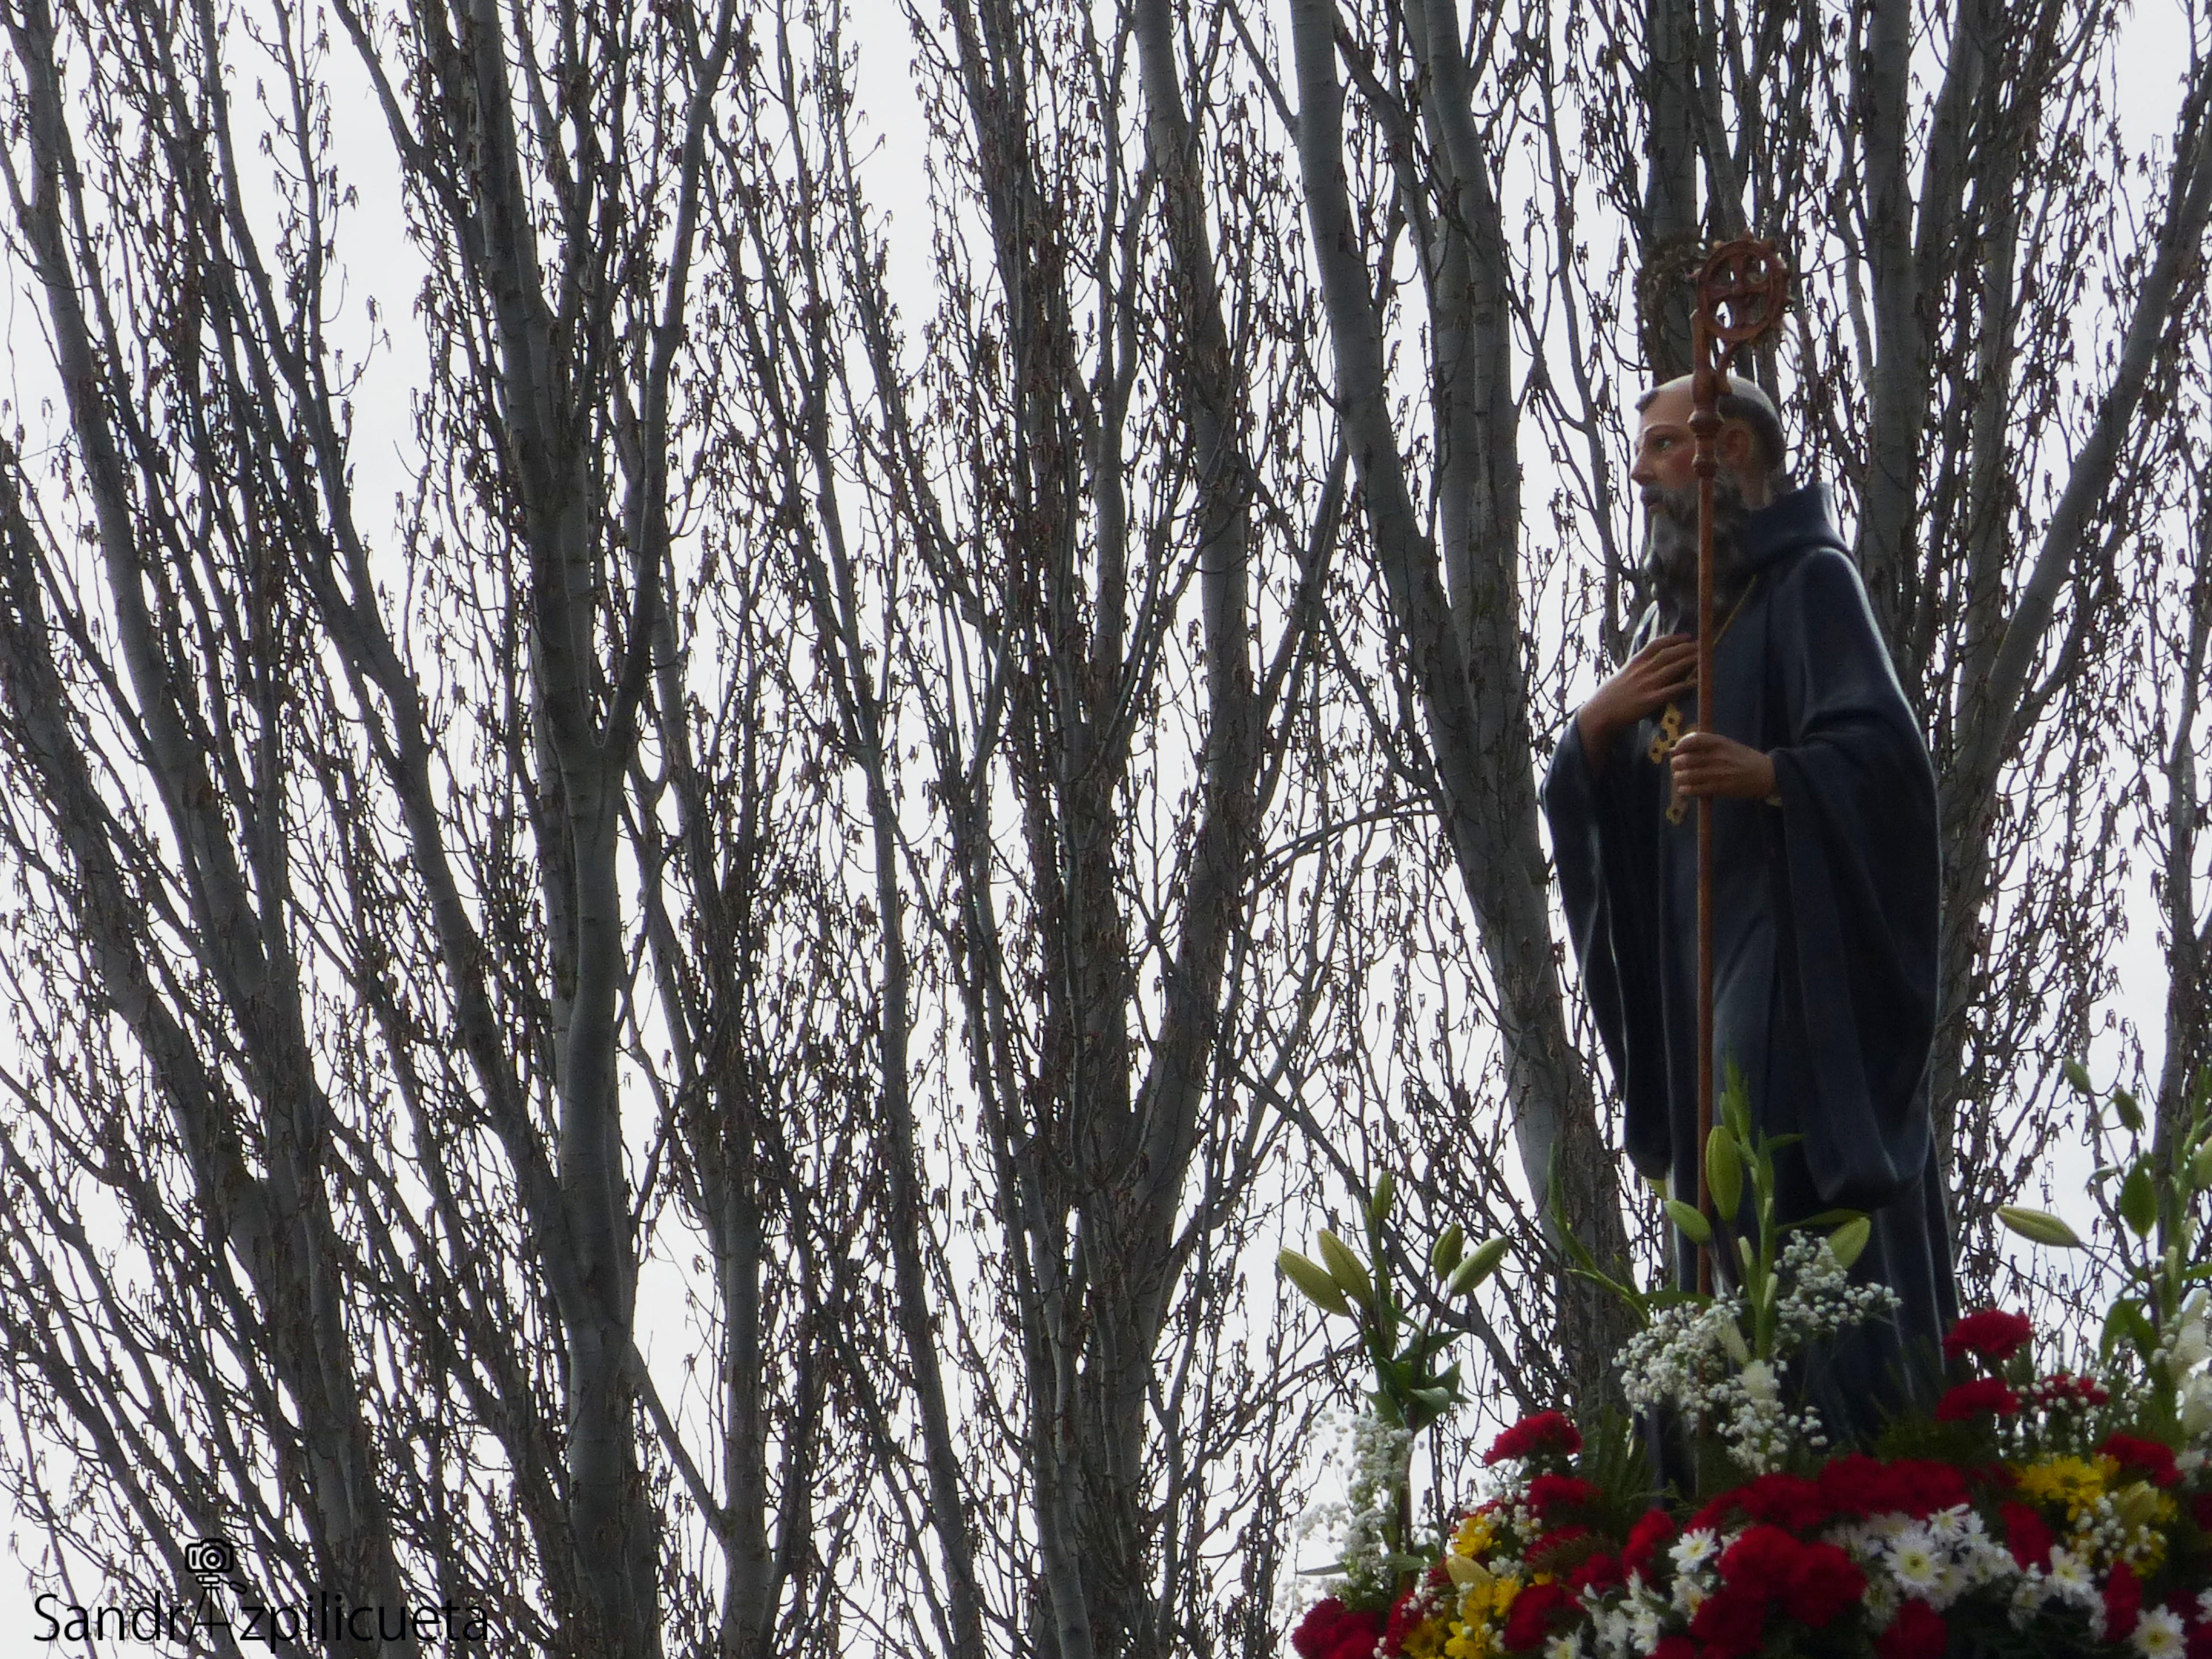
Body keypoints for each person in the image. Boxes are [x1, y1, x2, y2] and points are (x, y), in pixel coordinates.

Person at [1541, 373, 1957, 1439]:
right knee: (1718, 1199)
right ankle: (1747, 1450)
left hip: (1794, 966)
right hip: (1696, 965)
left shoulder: (1812, 585)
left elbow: (1888, 766)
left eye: (1668, 443)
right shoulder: (1683, 637)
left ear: (1729, 456)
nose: (1643, 470)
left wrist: (1775, 776)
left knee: (1778, 1176)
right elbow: (1631, 836)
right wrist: (1592, 740)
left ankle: (1838, 1441)